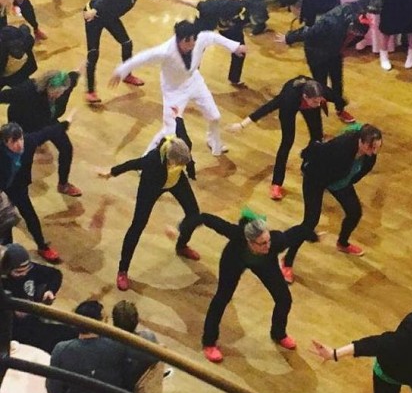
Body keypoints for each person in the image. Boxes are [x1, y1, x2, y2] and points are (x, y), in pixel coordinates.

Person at [176, 209, 309, 361]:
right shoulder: (237, 235)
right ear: (249, 241)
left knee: (284, 299)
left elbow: (297, 232)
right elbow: (207, 218)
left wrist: (314, 236)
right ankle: (209, 342)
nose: (268, 245)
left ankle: (279, 333)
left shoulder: (275, 242)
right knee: (222, 298)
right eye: (263, 243)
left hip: (265, 264)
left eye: (268, 241)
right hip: (234, 261)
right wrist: (184, 226)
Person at [109, 20, 246, 156]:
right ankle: (146, 161)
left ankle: (213, 142)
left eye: (194, 40)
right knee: (169, 130)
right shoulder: (164, 51)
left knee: (215, 117)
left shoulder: (199, 38)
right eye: (189, 42)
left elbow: (213, 36)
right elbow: (142, 57)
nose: (193, 44)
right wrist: (120, 71)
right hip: (174, 92)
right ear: (180, 40)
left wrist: (235, 47)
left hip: (195, 82)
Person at [98, 116, 201, 292]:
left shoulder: (182, 146)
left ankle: (181, 244)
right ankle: (123, 270)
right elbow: (133, 164)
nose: (185, 164)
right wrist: (111, 173)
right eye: (182, 163)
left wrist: (178, 116)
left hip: (176, 182)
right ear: (171, 160)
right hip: (152, 186)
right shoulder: (153, 160)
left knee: (194, 214)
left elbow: (180, 126)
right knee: (138, 225)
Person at [280, 124, 383, 283]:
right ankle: (287, 261)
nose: (374, 151)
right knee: (309, 222)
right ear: (360, 142)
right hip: (315, 180)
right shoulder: (340, 147)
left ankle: (342, 243)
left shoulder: (370, 156)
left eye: (377, 147)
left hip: (340, 182)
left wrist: (343, 182)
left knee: (354, 213)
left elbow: (357, 174)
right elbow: (314, 152)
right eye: (371, 147)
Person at [229, 77, 343, 200]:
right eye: (315, 101)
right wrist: (241, 125)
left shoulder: (320, 92)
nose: (318, 104)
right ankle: (276, 184)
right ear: (305, 97)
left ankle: (307, 164)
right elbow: (266, 108)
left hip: (308, 106)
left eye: (320, 101)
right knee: (287, 142)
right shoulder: (288, 98)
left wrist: (342, 108)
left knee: (317, 138)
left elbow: (338, 98)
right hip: (289, 108)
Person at [278, 0, 371, 126]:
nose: (354, 34)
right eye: (353, 32)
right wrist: (289, 37)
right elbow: (309, 32)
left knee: (337, 80)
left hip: (335, 51)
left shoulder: (361, 22)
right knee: (320, 83)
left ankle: (340, 108)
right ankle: (317, 107)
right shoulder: (330, 22)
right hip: (317, 52)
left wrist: (343, 48)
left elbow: (354, 38)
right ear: (349, 25)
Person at [83, 0, 170, 104]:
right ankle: (90, 91)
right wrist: (93, 11)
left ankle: (127, 74)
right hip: (94, 17)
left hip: (110, 17)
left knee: (127, 43)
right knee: (93, 53)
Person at [0, 116, 77, 263]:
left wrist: (65, 123)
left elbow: (47, 132)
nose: (19, 144)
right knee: (5, 224)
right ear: (4, 142)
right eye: (13, 141)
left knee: (30, 215)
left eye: (20, 139)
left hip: (18, 188)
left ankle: (42, 246)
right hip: (2, 191)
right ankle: (7, 257)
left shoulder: (28, 142)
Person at [46, 300, 130, 393]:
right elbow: (127, 381)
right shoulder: (118, 347)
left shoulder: (61, 349)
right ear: (100, 322)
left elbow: (53, 390)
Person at [0, 68, 83, 197]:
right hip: (24, 123)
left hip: (46, 119)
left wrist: (79, 70)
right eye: (56, 92)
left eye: (62, 92)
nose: (59, 95)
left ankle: (63, 185)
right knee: (23, 159)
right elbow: (3, 96)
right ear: (47, 86)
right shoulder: (27, 91)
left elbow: (72, 77)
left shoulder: (64, 88)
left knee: (66, 148)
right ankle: (13, 187)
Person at [1, 242, 77, 353]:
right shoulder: (3, 284)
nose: (24, 273)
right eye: (19, 271)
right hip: (13, 331)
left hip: (33, 320)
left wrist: (50, 291)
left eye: (27, 268)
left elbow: (55, 274)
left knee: (71, 333)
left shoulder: (30, 270)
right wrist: (12, 312)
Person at [172, 0, 249, 88]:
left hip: (231, 29)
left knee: (240, 50)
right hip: (206, 22)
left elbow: (243, 0)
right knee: (195, 47)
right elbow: (196, 3)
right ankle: (189, 76)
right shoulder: (210, 7)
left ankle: (234, 79)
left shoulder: (243, 9)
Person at [111, 300, 159, 388]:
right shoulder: (149, 338)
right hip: (135, 381)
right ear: (137, 320)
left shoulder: (108, 345)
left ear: (114, 322)